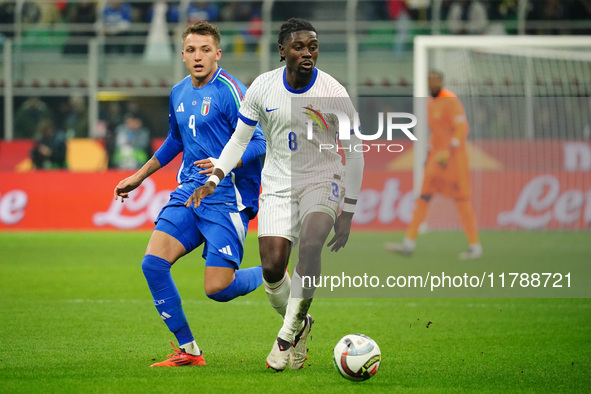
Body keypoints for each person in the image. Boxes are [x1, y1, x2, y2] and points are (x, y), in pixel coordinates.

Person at [187, 18, 365, 371]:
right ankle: (301, 324)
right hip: (279, 184)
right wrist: (216, 177)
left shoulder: (333, 92)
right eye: (299, 47)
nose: (307, 53)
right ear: (282, 51)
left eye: (312, 46)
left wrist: (348, 210)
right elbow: (239, 139)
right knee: (272, 269)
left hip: (322, 179)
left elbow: (355, 150)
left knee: (312, 246)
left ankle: (285, 338)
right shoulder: (263, 88)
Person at [113, 21, 266, 367]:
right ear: (182, 55)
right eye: (192, 50)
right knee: (153, 264)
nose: (198, 57)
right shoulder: (179, 92)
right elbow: (175, 141)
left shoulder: (232, 91)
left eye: (206, 50)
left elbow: (260, 143)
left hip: (227, 196)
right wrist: (138, 176)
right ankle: (189, 351)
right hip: (188, 192)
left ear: (218, 54)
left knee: (218, 289)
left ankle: (275, 273)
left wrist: (224, 164)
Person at [384, 71, 483, 259]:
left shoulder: (451, 100)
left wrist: (450, 148)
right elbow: (437, 133)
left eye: (436, 80)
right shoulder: (430, 102)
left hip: (454, 159)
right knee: (423, 197)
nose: (433, 83)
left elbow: (462, 128)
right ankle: (409, 243)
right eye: (430, 80)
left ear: (442, 82)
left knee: (462, 200)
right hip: (437, 160)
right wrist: (429, 153)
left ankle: (475, 246)